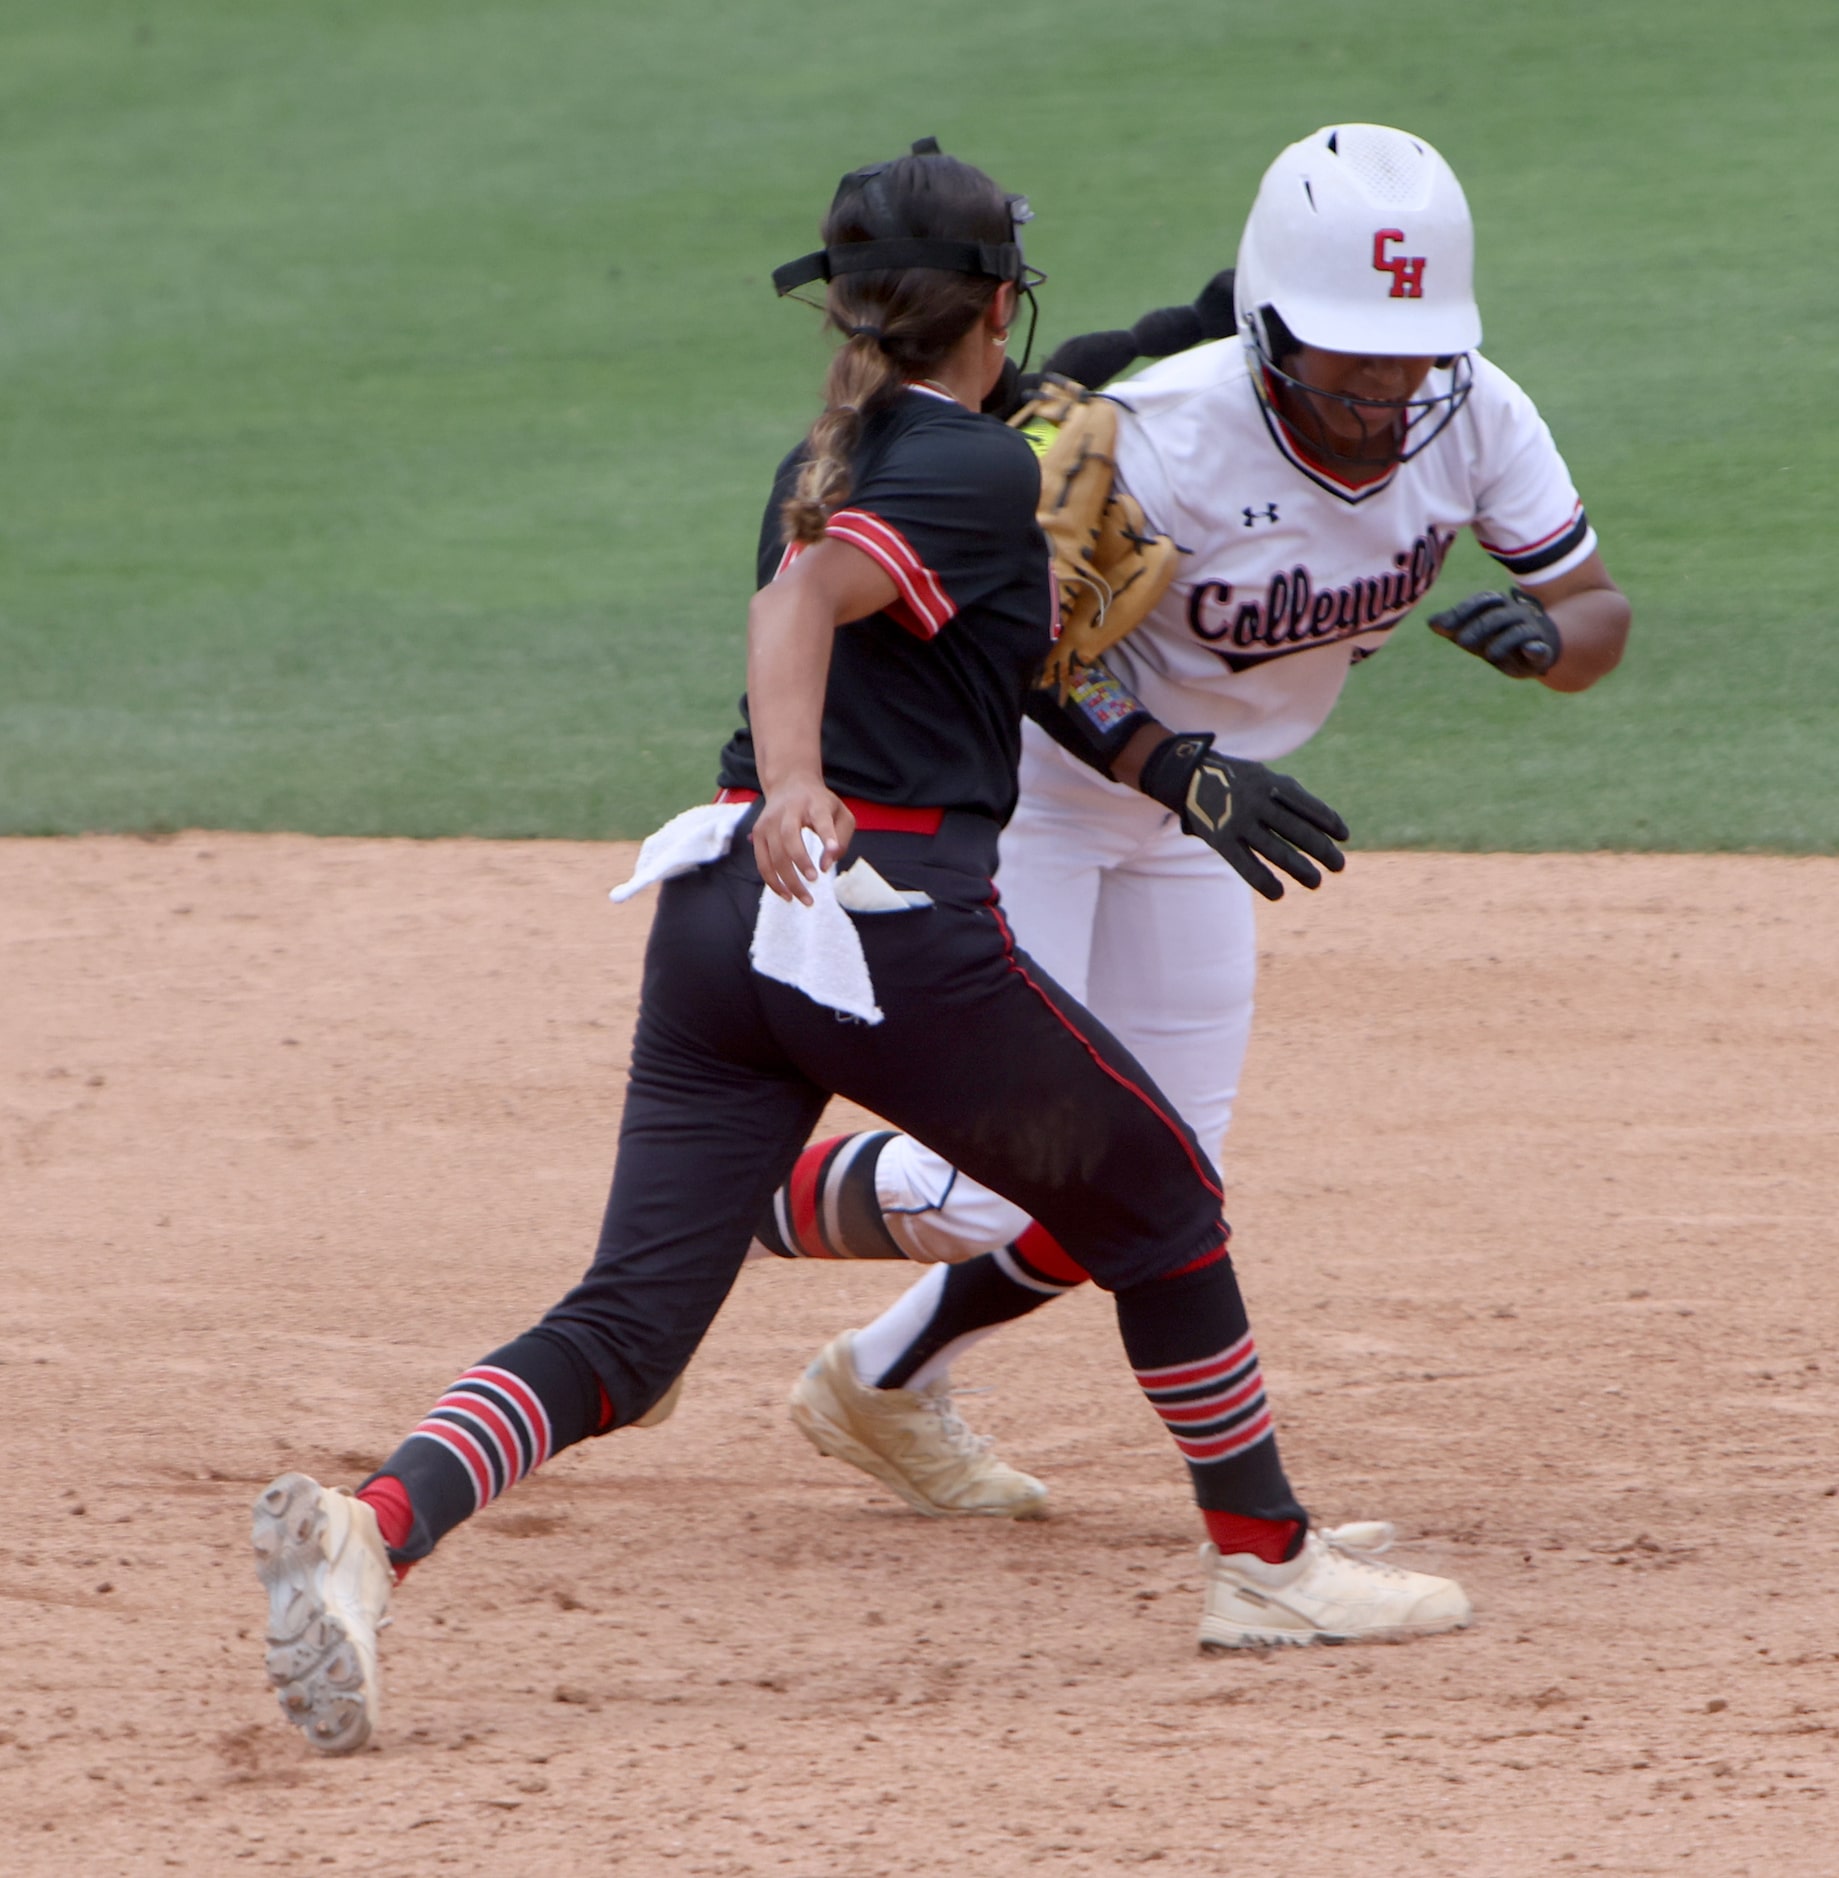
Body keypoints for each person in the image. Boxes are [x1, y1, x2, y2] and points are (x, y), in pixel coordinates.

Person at [249, 140, 1471, 1758]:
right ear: (996, 298)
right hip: (881, 922)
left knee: (628, 1324)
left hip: (717, 928)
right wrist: (810, 781)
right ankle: (1267, 1565)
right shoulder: (962, 479)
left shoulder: (853, 442)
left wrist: (1150, 745)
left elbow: (962, 530)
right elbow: (802, 608)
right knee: (1165, 1197)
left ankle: (372, 1529)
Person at [758, 124, 1633, 1522]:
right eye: (1354, 355)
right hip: (1044, 800)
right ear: (1272, 323)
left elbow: (1599, 611)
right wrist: (1173, 767)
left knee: (1162, 1173)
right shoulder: (1158, 434)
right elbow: (1025, 653)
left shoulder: (1477, 415)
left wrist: (1552, 637)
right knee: (974, 1191)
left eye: (1413, 354)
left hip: (1202, 823)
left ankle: (880, 1381)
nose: (1389, 388)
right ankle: (721, 1201)